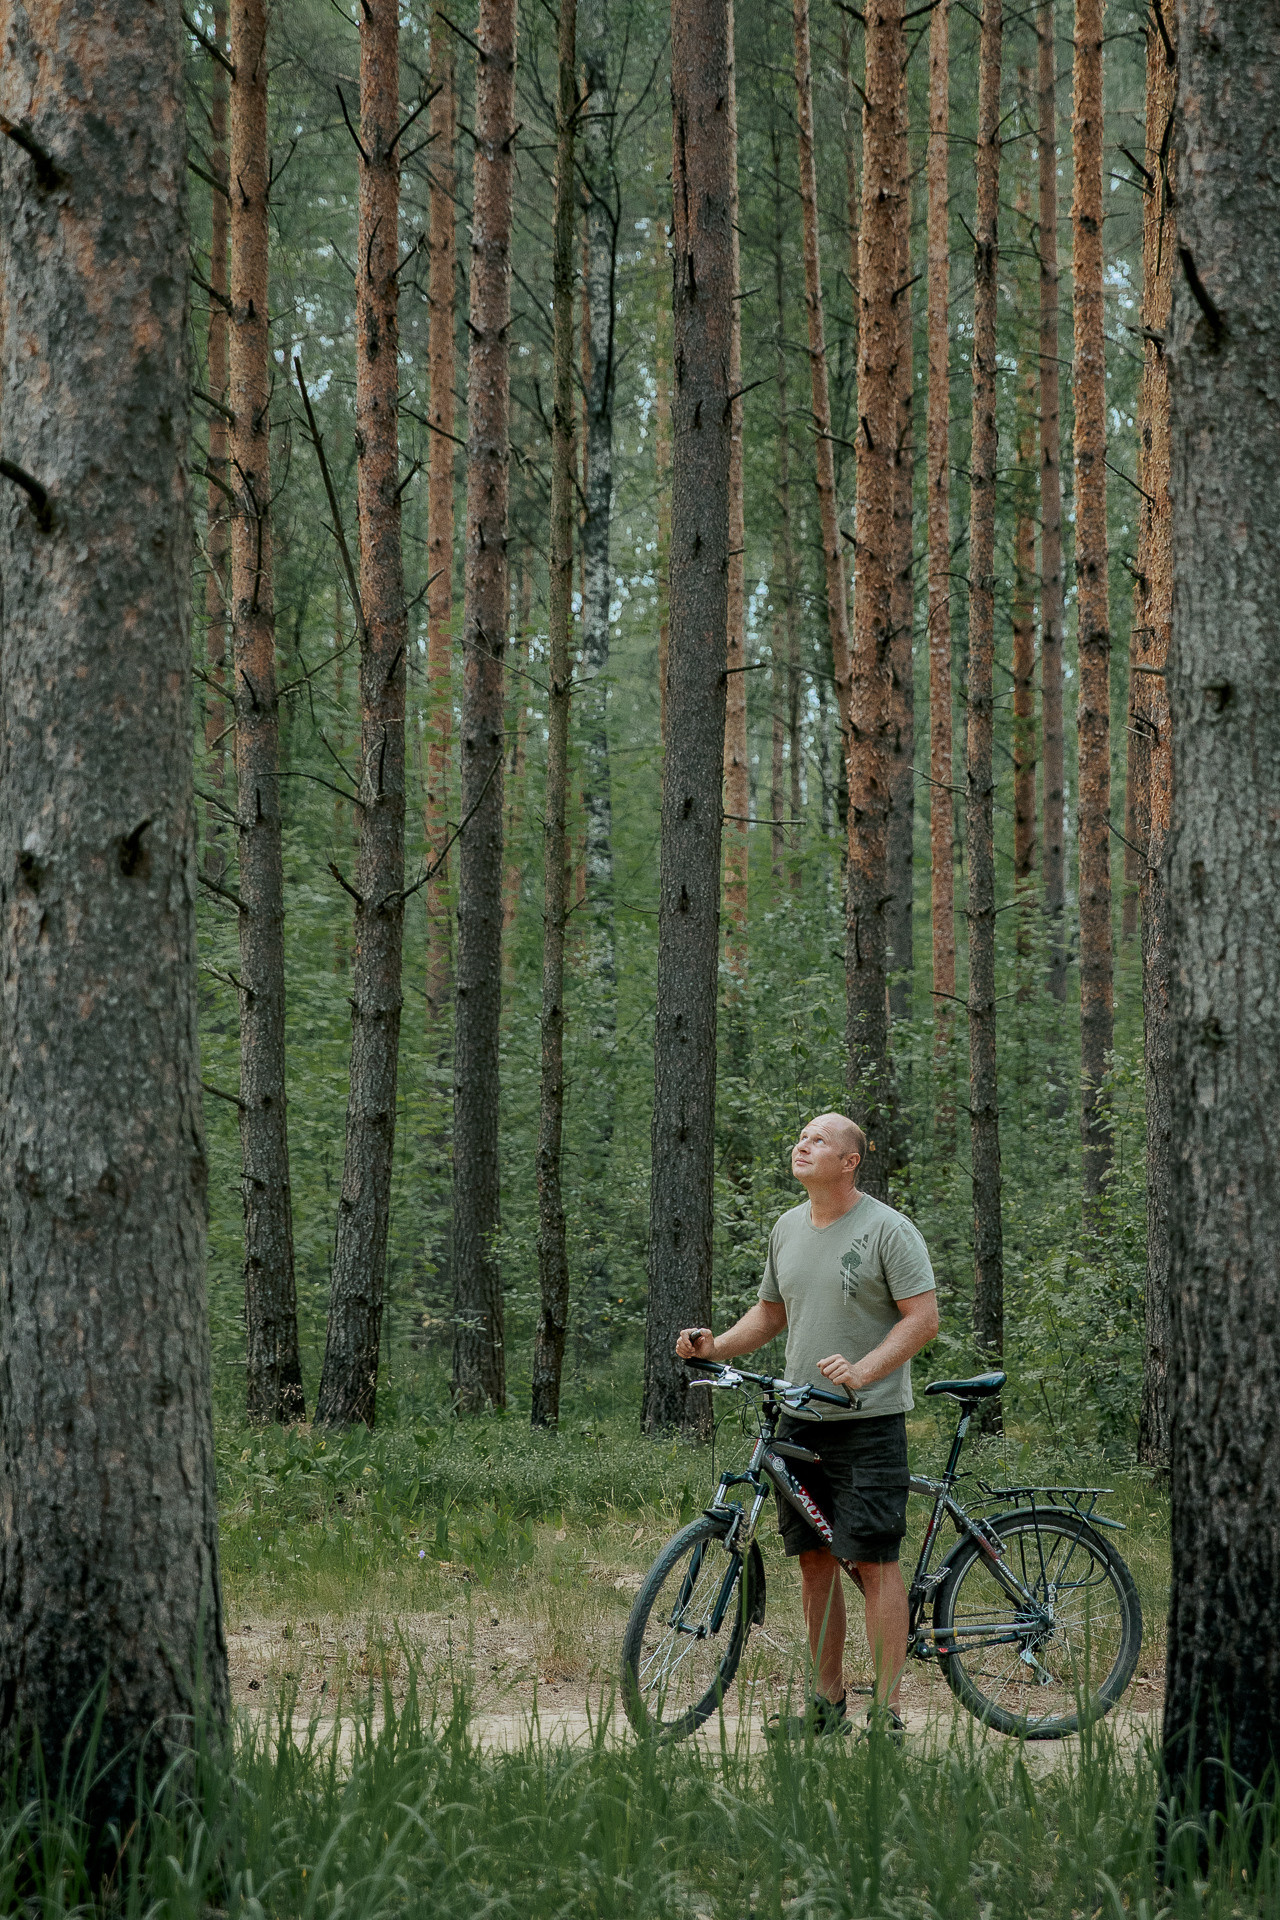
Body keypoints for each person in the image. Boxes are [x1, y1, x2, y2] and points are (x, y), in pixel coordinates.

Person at [675, 1112, 938, 1738]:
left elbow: (923, 1319)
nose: (802, 1144)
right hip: (798, 1419)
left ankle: (887, 1712)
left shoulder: (888, 1230)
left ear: (850, 1161)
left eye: (819, 1140)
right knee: (815, 1563)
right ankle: (826, 1708)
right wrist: (714, 1347)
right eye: (801, 1136)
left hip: (867, 1420)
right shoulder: (787, 1227)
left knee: (873, 1563)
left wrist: (865, 1368)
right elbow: (770, 1314)